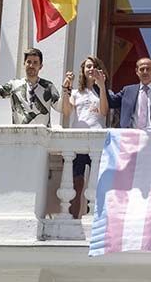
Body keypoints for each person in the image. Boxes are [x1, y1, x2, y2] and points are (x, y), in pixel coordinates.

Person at [61, 55, 109, 217]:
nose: (91, 69)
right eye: (88, 66)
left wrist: (101, 86)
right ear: (83, 70)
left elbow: (104, 112)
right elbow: (67, 112)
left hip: (97, 141)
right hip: (78, 141)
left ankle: (94, 216)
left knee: (96, 182)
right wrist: (66, 90)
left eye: (94, 66)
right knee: (77, 181)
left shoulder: (104, 91)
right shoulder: (75, 93)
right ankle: (73, 218)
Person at [0, 48, 61, 125]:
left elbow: (63, 109)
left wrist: (66, 90)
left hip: (42, 136)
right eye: (29, 62)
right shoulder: (14, 85)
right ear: (24, 64)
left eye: (35, 62)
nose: (31, 65)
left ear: (40, 66)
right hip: (20, 136)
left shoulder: (48, 86)